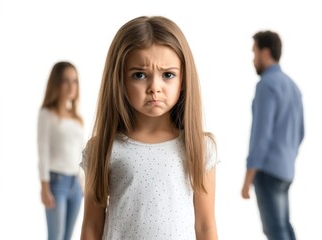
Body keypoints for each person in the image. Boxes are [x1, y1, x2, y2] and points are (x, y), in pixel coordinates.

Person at [80, 16, 219, 240]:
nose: (155, 88)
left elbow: (205, 226)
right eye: (140, 75)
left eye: (168, 75)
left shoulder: (200, 147)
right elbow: (92, 226)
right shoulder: (104, 148)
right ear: (119, 80)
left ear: (183, 79)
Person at [241, 31, 304, 240]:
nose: (253, 59)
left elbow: (261, 135)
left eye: (254, 52)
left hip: (268, 171)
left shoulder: (266, 85)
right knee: (284, 226)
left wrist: (248, 178)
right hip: (286, 170)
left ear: (265, 53)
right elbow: (300, 132)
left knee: (275, 231)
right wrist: (287, 158)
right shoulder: (292, 86)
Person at [38, 61, 85, 240]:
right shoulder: (47, 114)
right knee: (56, 236)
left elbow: (81, 152)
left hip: (75, 184)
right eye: (66, 80)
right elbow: (43, 150)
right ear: (57, 83)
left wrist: (83, 181)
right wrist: (44, 187)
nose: (71, 86)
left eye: (75, 81)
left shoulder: (77, 118)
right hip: (56, 182)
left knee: (67, 237)